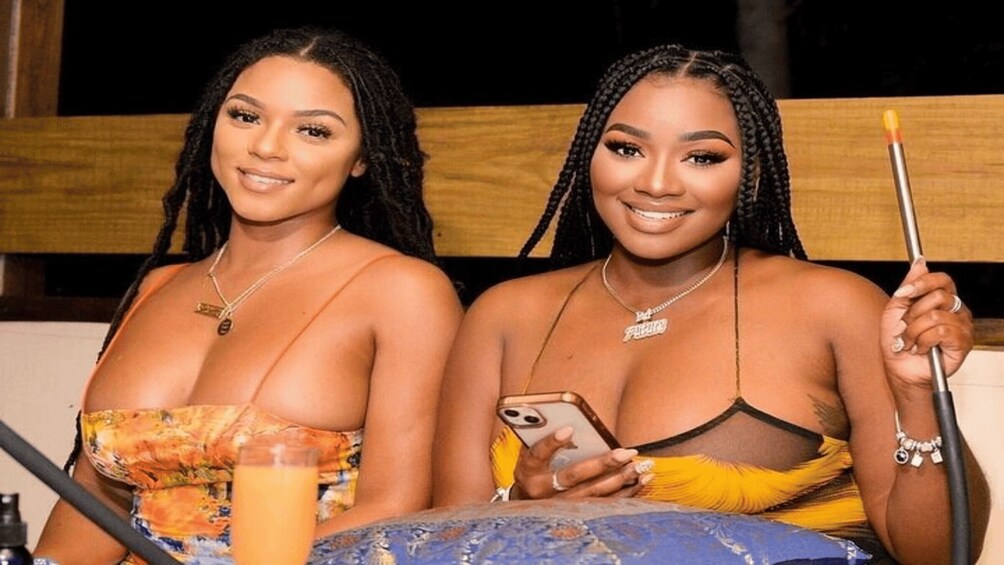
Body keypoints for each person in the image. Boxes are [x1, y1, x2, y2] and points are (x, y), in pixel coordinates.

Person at [432, 44, 990, 563]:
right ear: (587, 155)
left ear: (751, 173)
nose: (656, 183)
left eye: (701, 157)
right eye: (626, 148)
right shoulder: (504, 315)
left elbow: (940, 554)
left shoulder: (834, 306)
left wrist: (918, 397)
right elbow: (442, 539)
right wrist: (521, 505)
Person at [32, 26, 463, 563]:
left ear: (361, 158)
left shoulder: (403, 291)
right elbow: (99, 501)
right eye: (245, 116)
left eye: (313, 130)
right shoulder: (156, 287)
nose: (265, 146)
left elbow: (398, 507)